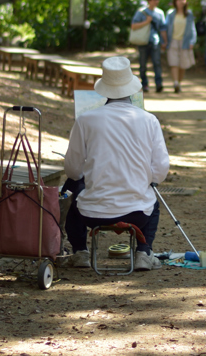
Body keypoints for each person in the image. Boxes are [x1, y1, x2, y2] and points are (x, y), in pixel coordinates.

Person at [63, 56, 170, 270]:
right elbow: (160, 171)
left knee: (70, 188)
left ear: (104, 90)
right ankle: (143, 252)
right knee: (153, 200)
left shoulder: (86, 120)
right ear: (132, 90)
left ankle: (80, 251)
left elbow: (73, 169)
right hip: (137, 214)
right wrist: (142, 178)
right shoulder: (149, 120)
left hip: (92, 215)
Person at [131, 0, 167, 93]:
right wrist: (146, 22)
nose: (156, 1)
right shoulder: (141, 12)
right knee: (143, 64)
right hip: (143, 41)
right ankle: (145, 84)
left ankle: (159, 84)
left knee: (157, 63)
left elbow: (162, 28)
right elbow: (133, 26)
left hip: (155, 41)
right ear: (149, 0)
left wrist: (165, 41)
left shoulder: (160, 13)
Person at [163, 0, 197, 93]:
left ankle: (179, 83)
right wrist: (164, 41)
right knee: (174, 63)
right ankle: (175, 83)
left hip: (185, 41)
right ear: (175, 1)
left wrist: (192, 41)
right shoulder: (170, 14)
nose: (180, 2)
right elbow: (165, 27)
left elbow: (192, 29)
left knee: (183, 64)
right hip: (172, 41)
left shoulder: (189, 14)